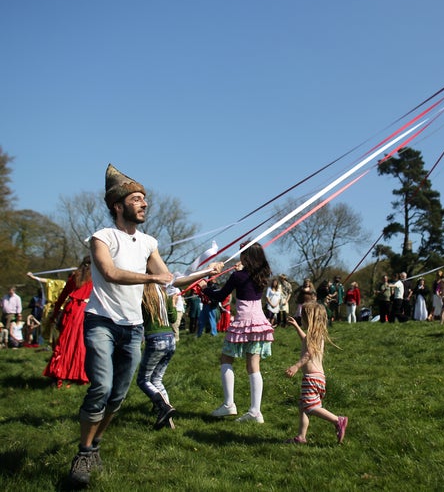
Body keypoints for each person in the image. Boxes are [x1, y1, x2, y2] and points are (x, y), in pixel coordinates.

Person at [67, 164, 218, 487]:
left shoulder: (149, 242)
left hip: (133, 327)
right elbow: (109, 273)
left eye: (144, 199)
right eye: (136, 199)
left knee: (118, 397)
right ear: (118, 206)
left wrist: (206, 272)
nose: (144, 204)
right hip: (101, 323)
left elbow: (170, 279)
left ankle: (94, 445)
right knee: (101, 388)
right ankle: (83, 450)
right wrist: (152, 277)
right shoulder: (101, 237)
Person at [202, 242, 275, 423]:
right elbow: (248, 278)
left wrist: (205, 287)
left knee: (226, 359)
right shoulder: (263, 275)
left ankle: (229, 404)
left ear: (246, 257)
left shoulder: (237, 276)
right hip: (259, 323)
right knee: (253, 366)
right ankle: (255, 412)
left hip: (242, 322)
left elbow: (220, 295)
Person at [284, 302, 348, 444]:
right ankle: (301, 437)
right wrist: (296, 327)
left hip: (311, 378)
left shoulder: (314, 334)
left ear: (310, 318)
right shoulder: (316, 334)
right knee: (303, 407)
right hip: (318, 377)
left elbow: (308, 353)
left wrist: (296, 366)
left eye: (304, 317)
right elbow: (305, 340)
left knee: (311, 407)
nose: (302, 319)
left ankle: (338, 420)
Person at [43, 257, 93, 388]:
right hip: (84, 311)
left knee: (64, 343)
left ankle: (58, 373)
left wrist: (54, 315)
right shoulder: (95, 279)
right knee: (80, 344)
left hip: (70, 310)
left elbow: (62, 296)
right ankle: (77, 375)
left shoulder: (74, 277)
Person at [136, 282, 179, 430]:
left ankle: (163, 407)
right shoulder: (164, 294)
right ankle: (168, 418)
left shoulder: (141, 296)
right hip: (170, 339)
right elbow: (173, 318)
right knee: (156, 379)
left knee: (143, 380)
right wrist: (172, 303)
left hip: (155, 340)